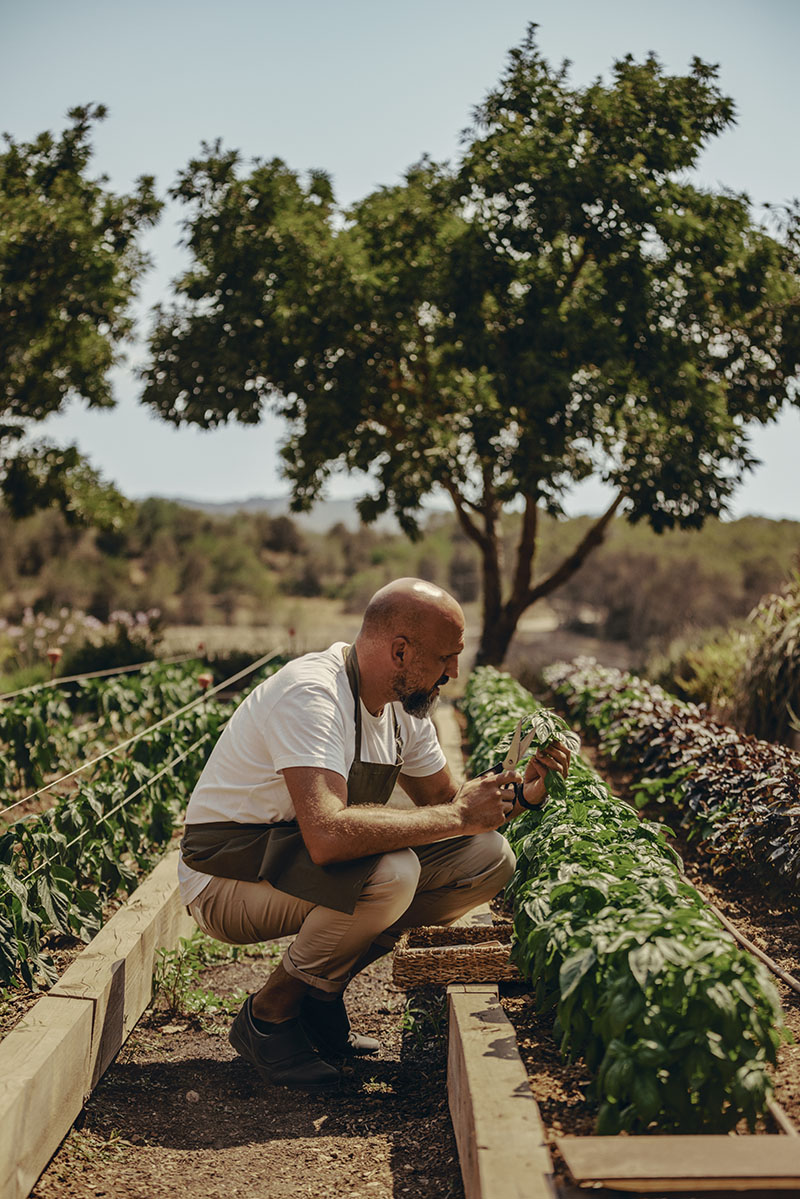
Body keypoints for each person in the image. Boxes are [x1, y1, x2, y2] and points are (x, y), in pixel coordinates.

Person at [179, 578, 571, 1093]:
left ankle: (319, 994)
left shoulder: (401, 707)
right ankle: (269, 1015)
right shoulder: (313, 695)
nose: (454, 673)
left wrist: (521, 797)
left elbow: (446, 807)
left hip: (291, 864)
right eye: (446, 658)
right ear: (401, 651)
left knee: (487, 857)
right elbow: (328, 836)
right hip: (224, 877)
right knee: (392, 874)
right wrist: (458, 817)